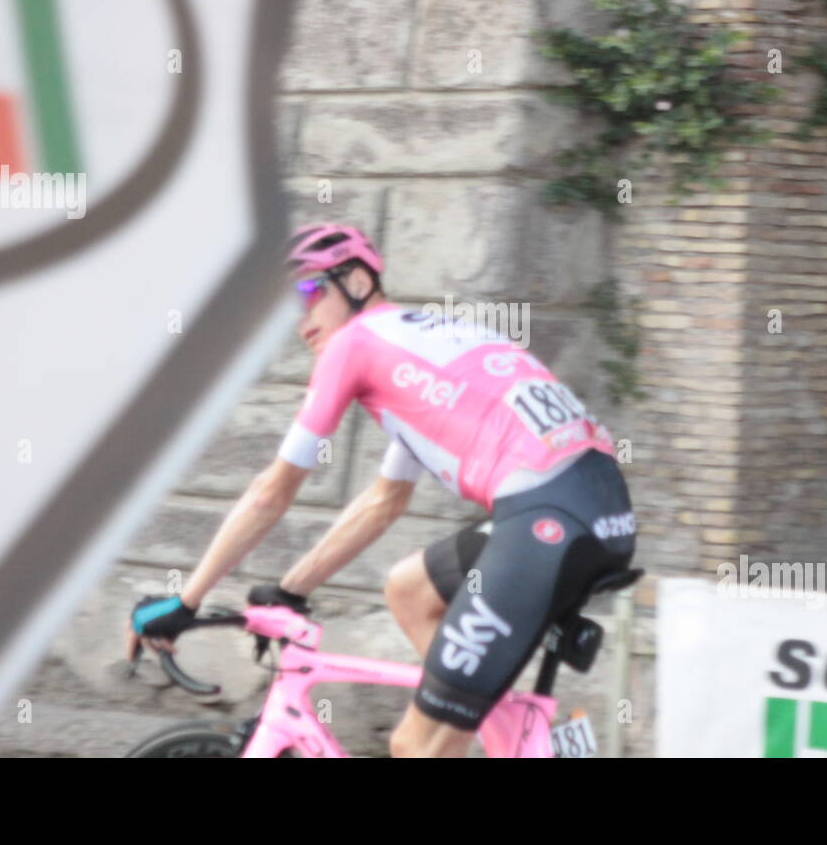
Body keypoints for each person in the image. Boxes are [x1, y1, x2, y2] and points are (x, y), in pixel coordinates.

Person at [126, 222, 637, 757]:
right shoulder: (421, 344)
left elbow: (270, 493)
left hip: (546, 521)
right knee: (409, 590)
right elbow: (383, 501)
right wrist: (292, 589)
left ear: (358, 279)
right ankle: (500, 726)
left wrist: (186, 601)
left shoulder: (356, 344)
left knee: (413, 745)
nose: (301, 320)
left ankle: (463, 719)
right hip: (583, 509)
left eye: (308, 291)